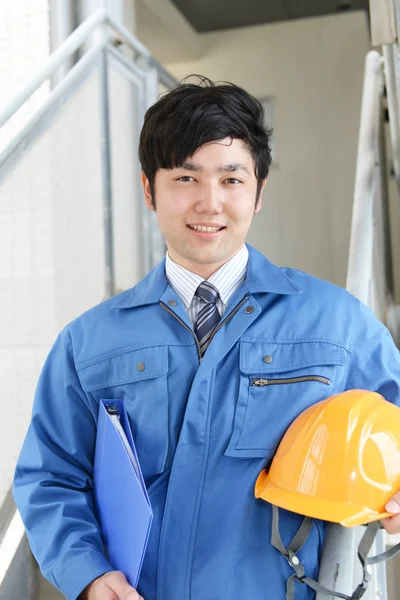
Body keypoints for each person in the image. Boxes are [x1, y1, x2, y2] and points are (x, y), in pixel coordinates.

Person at [13, 76, 400, 600]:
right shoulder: (87, 344)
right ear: (149, 190)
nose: (210, 203)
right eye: (186, 179)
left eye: (232, 180)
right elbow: (51, 477)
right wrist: (88, 572)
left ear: (259, 192)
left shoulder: (338, 326)